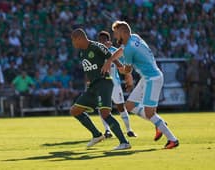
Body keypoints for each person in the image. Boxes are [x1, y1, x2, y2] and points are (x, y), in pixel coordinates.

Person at [101, 21, 179, 149]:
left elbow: (128, 70)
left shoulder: (129, 49)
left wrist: (121, 70)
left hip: (152, 79)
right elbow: (121, 51)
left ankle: (172, 139)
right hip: (147, 78)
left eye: (116, 33)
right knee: (129, 106)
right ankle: (159, 124)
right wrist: (110, 60)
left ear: (123, 33)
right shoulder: (134, 37)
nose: (115, 37)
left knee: (149, 113)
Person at [70, 28, 130, 150]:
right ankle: (97, 135)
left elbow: (111, 56)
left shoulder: (96, 46)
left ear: (79, 38)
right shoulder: (82, 52)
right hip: (92, 86)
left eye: (73, 40)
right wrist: (88, 82)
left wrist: (121, 68)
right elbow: (88, 69)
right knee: (75, 110)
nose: (73, 43)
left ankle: (124, 142)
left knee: (105, 114)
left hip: (104, 83)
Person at [97, 30, 137, 138]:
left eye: (103, 40)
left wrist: (128, 78)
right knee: (103, 108)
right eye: (99, 40)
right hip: (101, 84)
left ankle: (129, 129)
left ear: (108, 41)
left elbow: (125, 66)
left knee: (120, 107)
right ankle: (107, 130)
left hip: (115, 83)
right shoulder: (96, 52)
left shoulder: (115, 51)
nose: (101, 42)